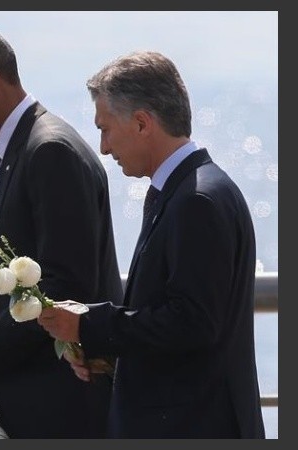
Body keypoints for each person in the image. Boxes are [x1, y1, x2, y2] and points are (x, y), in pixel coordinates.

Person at [37, 50, 266, 438]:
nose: (103, 147)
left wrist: (89, 326)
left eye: (105, 129)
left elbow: (191, 323)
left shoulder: (196, 200)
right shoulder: (190, 190)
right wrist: (108, 354)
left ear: (142, 123)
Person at [0, 26, 124, 438]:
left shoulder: (50, 151)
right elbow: (29, 286)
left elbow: (65, 286)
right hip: (42, 404)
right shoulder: (19, 148)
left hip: (63, 409)